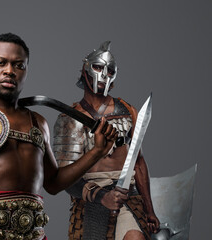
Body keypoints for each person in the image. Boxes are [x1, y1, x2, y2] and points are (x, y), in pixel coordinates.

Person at [0, 33, 117, 240]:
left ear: (26, 71)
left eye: (19, 65)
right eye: (1, 63)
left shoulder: (38, 122)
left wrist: (97, 151)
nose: (9, 71)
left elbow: (53, 183)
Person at [53, 41, 160, 240]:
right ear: (85, 70)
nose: (104, 75)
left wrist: (150, 209)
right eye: (98, 67)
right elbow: (65, 179)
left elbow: (138, 162)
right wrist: (102, 196)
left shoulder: (128, 111)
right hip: (91, 197)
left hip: (128, 194)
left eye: (110, 70)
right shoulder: (69, 119)